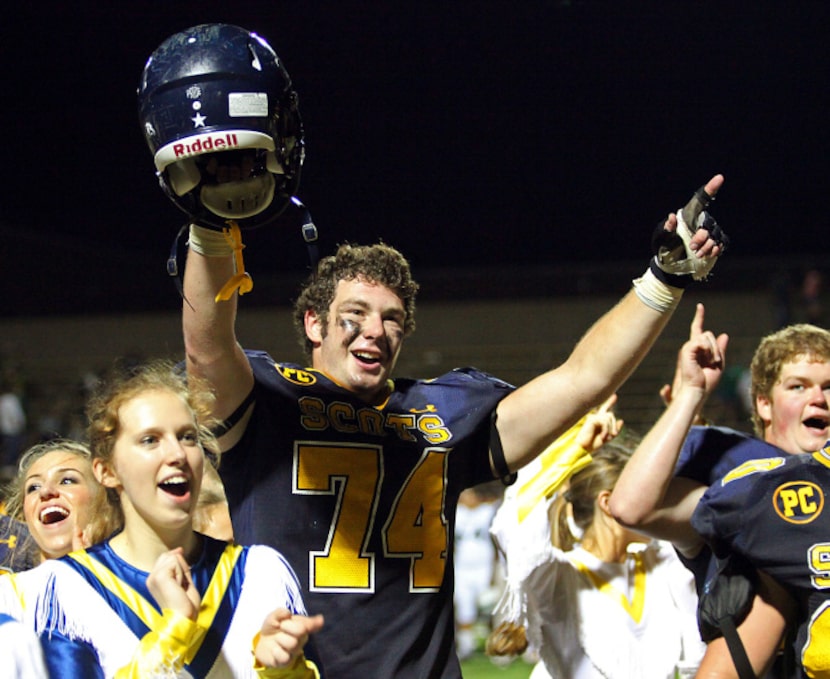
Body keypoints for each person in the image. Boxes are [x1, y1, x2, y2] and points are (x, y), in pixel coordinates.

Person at [137, 22, 729, 678]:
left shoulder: (448, 410)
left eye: (392, 319)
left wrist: (664, 279)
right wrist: (213, 221)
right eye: (354, 315)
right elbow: (206, 342)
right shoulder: (267, 400)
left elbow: (583, 377)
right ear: (312, 322)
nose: (374, 331)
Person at [24, 361, 323, 678]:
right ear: (107, 472)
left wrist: (283, 670)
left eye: (187, 437)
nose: (178, 455)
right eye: (150, 440)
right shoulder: (64, 591)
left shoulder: (260, 573)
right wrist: (173, 633)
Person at [608, 309, 830, 674]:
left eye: (829, 386)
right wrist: (690, 396)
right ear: (763, 403)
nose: (818, 398)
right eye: (798, 386)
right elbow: (631, 507)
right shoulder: (748, 484)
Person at [489, 441, 705, 678]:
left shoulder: (661, 561)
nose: (661, 506)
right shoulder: (560, 574)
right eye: (651, 496)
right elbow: (514, 526)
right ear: (608, 504)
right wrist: (572, 448)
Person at [452, 483, 501, 660]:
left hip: (483, 567)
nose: (467, 497)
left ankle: (497, 648)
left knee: (489, 607)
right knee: (465, 608)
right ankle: (466, 648)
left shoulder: (486, 511)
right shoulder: (455, 512)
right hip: (462, 567)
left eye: (470, 494)